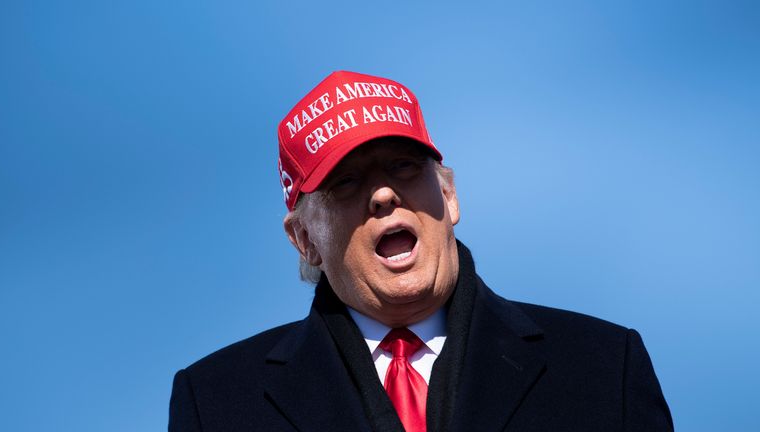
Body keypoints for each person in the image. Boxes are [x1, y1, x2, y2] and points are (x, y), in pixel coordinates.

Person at [168, 71, 673, 432]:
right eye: (346, 182)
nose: (384, 194)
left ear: (449, 195)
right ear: (304, 240)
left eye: (405, 166)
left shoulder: (603, 367)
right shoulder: (216, 401)